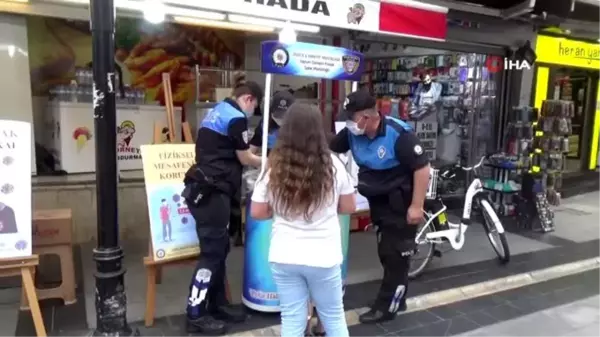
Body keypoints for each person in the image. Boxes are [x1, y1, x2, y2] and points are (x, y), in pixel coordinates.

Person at [250, 103, 356, 337]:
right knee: (333, 315)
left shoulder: (273, 168)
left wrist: (280, 212)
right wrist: (326, 209)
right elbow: (349, 206)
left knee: (292, 318)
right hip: (323, 256)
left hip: (284, 254)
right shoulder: (335, 166)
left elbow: (257, 211)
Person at [329, 90, 430, 324]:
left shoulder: (398, 134)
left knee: (395, 256)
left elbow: (422, 169)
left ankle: (386, 308)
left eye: (352, 118)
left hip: (400, 204)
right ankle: (398, 295)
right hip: (378, 203)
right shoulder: (354, 133)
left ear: (366, 116)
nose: (349, 123)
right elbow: (333, 148)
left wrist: (417, 206)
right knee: (387, 253)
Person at [182, 74, 263, 334]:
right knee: (211, 254)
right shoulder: (236, 117)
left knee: (219, 250)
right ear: (248, 99)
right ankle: (195, 313)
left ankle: (216, 304)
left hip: (208, 188)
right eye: (255, 106)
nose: (253, 112)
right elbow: (244, 157)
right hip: (212, 192)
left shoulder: (218, 110)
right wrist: (270, 162)